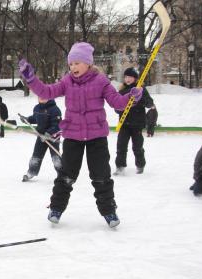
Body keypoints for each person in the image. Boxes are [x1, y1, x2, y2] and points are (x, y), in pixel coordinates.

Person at [18, 42, 143, 227]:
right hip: (73, 137)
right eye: (71, 64)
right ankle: (56, 208)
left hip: (96, 137)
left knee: (101, 176)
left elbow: (117, 102)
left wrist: (131, 97)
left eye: (77, 63)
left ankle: (109, 212)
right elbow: (46, 91)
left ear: (88, 63)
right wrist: (31, 79)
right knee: (66, 175)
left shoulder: (101, 81)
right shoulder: (67, 81)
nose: (73, 67)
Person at [113, 67, 154, 175]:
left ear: (135, 78)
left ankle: (140, 165)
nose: (127, 79)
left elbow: (149, 103)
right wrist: (119, 108)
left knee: (137, 147)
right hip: (124, 123)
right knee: (121, 146)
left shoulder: (141, 89)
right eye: (126, 77)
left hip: (137, 124)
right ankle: (120, 166)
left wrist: (140, 99)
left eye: (130, 77)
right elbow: (117, 108)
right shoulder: (121, 91)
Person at [21, 97, 62, 182]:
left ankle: (61, 174)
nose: (41, 98)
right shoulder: (37, 108)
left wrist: (48, 134)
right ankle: (31, 172)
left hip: (52, 137)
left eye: (44, 96)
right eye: (39, 97)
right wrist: (27, 119)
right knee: (36, 156)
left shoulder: (55, 109)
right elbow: (35, 118)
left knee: (56, 158)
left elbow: (57, 125)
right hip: (40, 136)